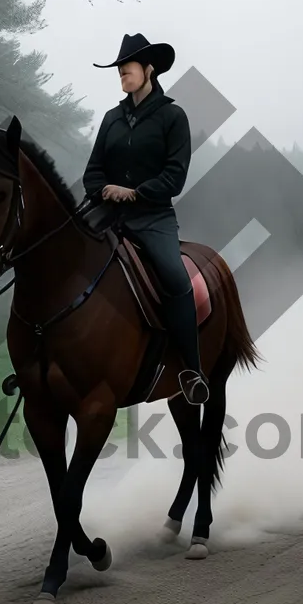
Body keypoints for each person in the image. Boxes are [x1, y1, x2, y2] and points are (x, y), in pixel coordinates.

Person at [82, 33, 209, 405]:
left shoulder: (173, 116)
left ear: (149, 68)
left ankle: (191, 370)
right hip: (107, 214)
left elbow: (175, 176)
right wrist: (105, 190)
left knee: (173, 275)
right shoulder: (111, 119)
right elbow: (92, 173)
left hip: (153, 217)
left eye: (128, 65)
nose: (122, 71)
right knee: (64, 255)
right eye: (119, 67)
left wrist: (135, 193)